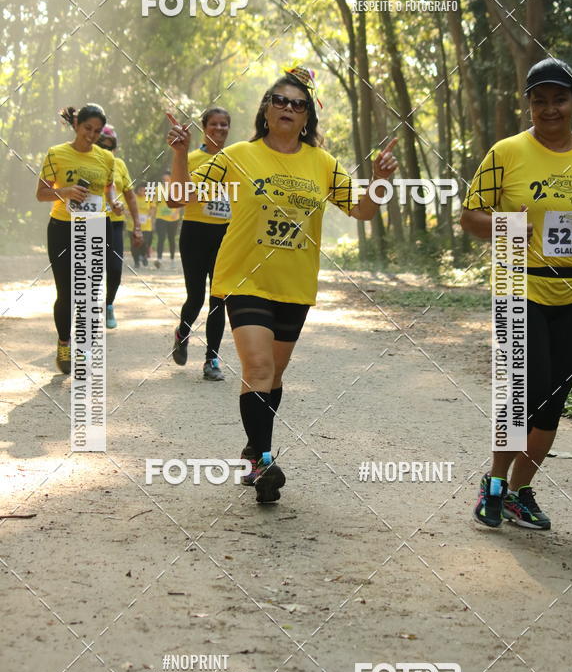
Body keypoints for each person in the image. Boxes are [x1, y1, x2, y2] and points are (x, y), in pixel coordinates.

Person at [168, 65, 398, 502]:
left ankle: (253, 449)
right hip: (245, 279)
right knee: (257, 368)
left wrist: (381, 181)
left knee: (272, 375)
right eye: (280, 101)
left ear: (307, 116)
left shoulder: (323, 163)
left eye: (298, 104)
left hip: (294, 285)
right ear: (266, 110)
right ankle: (263, 462)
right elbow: (181, 198)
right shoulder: (238, 155)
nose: (288, 108)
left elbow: (363, 211)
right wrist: (180, 154)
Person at [461, 58, 572, 531]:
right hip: (518, 286)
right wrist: (507, 224)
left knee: (553, 400)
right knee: (524, 390)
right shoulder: (506, 153)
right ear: (529, 105)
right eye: (540, 101)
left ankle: (519, 492)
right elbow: (470, 217)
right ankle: (494, 485)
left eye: (559, 99)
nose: (550, 109)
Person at [36, 104, 122, 373]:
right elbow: (41, 193)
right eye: (87, 128)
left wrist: (114, 203)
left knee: (90, 292)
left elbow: (107, 189)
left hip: (97, 226)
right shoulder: (56, 154)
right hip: (63, 228)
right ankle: (64, 342)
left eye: (97, 131)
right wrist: (65, 192)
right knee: (67, 292)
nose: (92, 135)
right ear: (76, 125)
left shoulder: (106, 158)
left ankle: (83, 349)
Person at [168, 106, 232, 382]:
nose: (219, 129)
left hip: (227, 236)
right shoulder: (190, 158)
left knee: (220, 298)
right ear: (204, 128)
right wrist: (179, 155)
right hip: (195, 233)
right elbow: (173, 201)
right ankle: (182, 333)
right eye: (214, 124)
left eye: (224, 124)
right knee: (196, 297)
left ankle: (211, 359)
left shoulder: (237, 160)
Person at [97, 124, 142, 328]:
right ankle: (87, 310)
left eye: (110, 147)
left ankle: (108, 304)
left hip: (114, 224)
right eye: (102, 146)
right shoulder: (85, 161)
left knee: (115, 268)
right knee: (92, 270)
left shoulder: (119, 165)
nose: (107, 151)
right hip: (90, 222)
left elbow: (130, 197)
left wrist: (137, 226)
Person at [154, 173, 181, 267]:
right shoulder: (157, 189)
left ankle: (172, 259)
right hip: (160, 217)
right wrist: (152, 217)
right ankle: (159, 259)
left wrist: (176, 212)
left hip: (173, 218)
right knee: (161, 238)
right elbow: (154, 203)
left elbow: (180, 202)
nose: (165, 181)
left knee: (171, 239)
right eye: (164, 180)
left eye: (167, 179)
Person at [126, 181, 154, 267]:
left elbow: (153, 208)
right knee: (134, 244)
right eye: (141, 190)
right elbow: (126, 209)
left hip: (146, 226)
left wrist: (150, 215)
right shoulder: (132, 198)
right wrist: (128, 213)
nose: (142, 192)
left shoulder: (149, 199)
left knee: (144, 243)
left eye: (144, 190)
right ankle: (136, 261)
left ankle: (143, 256)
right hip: (133, 226)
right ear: (137, 190)